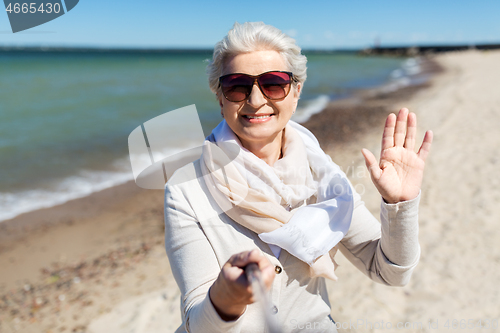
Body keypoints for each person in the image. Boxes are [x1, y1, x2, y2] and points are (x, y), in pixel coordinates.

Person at [164, 21, 432, 333]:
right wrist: (226, 297)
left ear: (296, 91)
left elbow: (390, 272)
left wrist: (399, 203)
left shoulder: (325, 177)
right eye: (237, 85)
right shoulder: (186, 189)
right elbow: (197, 324)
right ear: (220, 97)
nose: (255, 100)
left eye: (273, 83)